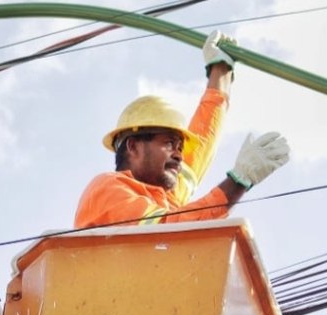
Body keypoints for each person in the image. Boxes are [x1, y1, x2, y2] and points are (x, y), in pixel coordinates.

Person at [74, 31, 290, 229]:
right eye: (169, 143)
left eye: (179, 146)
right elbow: (168, 228)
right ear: (133, 146)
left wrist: (220, 70)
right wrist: (238, 181)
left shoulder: (165, 196)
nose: (179, 154)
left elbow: (203, 139)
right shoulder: (107, 188)